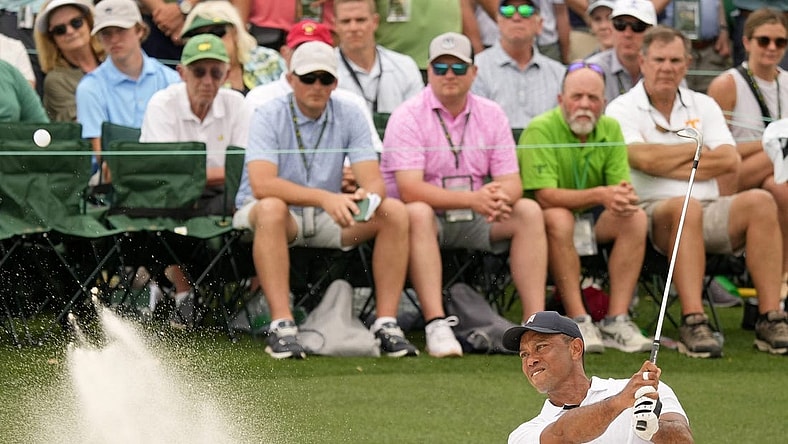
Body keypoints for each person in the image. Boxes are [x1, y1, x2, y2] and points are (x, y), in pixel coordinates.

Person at [606, 26, 788, 357]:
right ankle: (693, 319)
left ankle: (769, 315)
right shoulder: (621, 107)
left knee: (762, 201)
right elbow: (639, 157)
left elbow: (729, 159)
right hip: (651, 211)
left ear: (688, 63)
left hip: (710, 205)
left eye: (675, 60)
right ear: (643, 61)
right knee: (684, 206)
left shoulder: (702, 104)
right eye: (659, 59)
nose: (667, 67)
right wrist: (697, 151)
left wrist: (662, 159)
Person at [233, 41, 418, 360]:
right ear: (291, 80)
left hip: (328, 215)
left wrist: (367, 197)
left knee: (394, 212)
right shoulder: (268, 113)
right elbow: (262, 185)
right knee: (272, 208)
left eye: (325, 78)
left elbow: (374, 181)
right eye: (308, 78)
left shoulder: (350, 113)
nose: (317, 86)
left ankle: (386, 324)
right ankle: (282, 325)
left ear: (335, 83)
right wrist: (326, 198)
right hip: (272, 213)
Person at [381, 32, 548, 357]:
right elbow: (409, 188)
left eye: (458, 68)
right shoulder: (408, 114)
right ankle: (436, 323)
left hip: (478, 214)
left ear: (474, 72)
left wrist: (499, 197)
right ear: (428, 72)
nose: (448, 75)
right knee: (416, 211)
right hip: (427, 220)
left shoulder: (491, 113)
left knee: (528, 211)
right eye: (440, 67)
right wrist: (474, 199)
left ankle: (537, 325)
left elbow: (512, 181)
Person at [518, 62, 651, 354]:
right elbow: (545, 195)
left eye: (593, 99)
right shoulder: (540, 128)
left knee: (635, 217)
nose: (584, 105)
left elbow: (619, 187)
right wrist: (603, 194)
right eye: (577, 97)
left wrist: (622, 197)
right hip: (548, 221)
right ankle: (579, 319)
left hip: (593, 217)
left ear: (604, 103)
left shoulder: (611, 126)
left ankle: (617, 319)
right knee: (558, 218)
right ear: (560, 100)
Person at [140, 34, 250, 327]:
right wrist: (215, 173)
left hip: (221, 199)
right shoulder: (162, 103)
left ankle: (187, 292)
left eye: (216, 72)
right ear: (182, 72)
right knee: (159, 205)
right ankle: (182, 289)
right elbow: (164, 172)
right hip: (168, 198)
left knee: (247, 203)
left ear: (226, 74)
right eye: (199, 71)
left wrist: (192, 175)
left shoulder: (237, 103)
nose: (207, 80)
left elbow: (245, 168)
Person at [502, 311, 694, 443]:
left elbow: (684, 440)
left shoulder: (645, 391)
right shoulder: (524, 434)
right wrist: (619, 402)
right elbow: (563, 435)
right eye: (524, 354)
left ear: (575, 349)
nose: (530, 361)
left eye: (540, 347)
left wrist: (654, 428)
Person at [707, 8, 788, 299]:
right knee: (775, 160)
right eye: (763, 40)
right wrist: (772, 140)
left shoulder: (786, 82)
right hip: (730, 176)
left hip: (775, 178)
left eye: (780, 42)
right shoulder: (727, 84)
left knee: (780, 190)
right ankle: (777, 287)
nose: (771, 48)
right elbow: (715, 152)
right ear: (747, 41)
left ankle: (775, 287)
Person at [245, 19, 381, 152]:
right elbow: (249, 155)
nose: (310, 55)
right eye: (301, 49)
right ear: (284, 53)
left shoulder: (352, 103)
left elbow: (373, 153)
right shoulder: (259, 99)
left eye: (319, 49)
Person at [75, 0, 180, 165]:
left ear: (139, 30)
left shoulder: (171, 79)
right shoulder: (89, 88)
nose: (114, 39)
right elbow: (100, 154)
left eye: (121, 30)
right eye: (106, 33)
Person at [472, 0, 566, 131]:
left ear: (539, 24)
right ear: (498, 21)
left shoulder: (558, 74)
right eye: (508, 11)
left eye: (526, 11)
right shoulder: (476, 69)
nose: (516, 17)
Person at [333, 0, 423, 115]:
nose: (353, 28)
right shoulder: (325, 71)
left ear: (375, 22)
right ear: (335, 25)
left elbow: (418, 119)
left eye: (360, 20)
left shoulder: (404, 66)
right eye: (346, 21)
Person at [181, 1, 286, 95]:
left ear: (235, 32)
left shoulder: (268, 60)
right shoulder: (191, 75)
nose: (210, 41)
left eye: (217, 32)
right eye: (199, 36)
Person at [33, 0, 103, 122]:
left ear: (89, 22)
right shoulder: (56, 80)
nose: (70, 31)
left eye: (76, 23)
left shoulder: (113, 59)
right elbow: (83, 124)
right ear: (51, 39)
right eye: (60, 30)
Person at [586, 0, 657, 103]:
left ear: (653, 32)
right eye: (620, 25)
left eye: (638, 27)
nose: (627, 34)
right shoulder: (592, 69)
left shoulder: (665, 69)